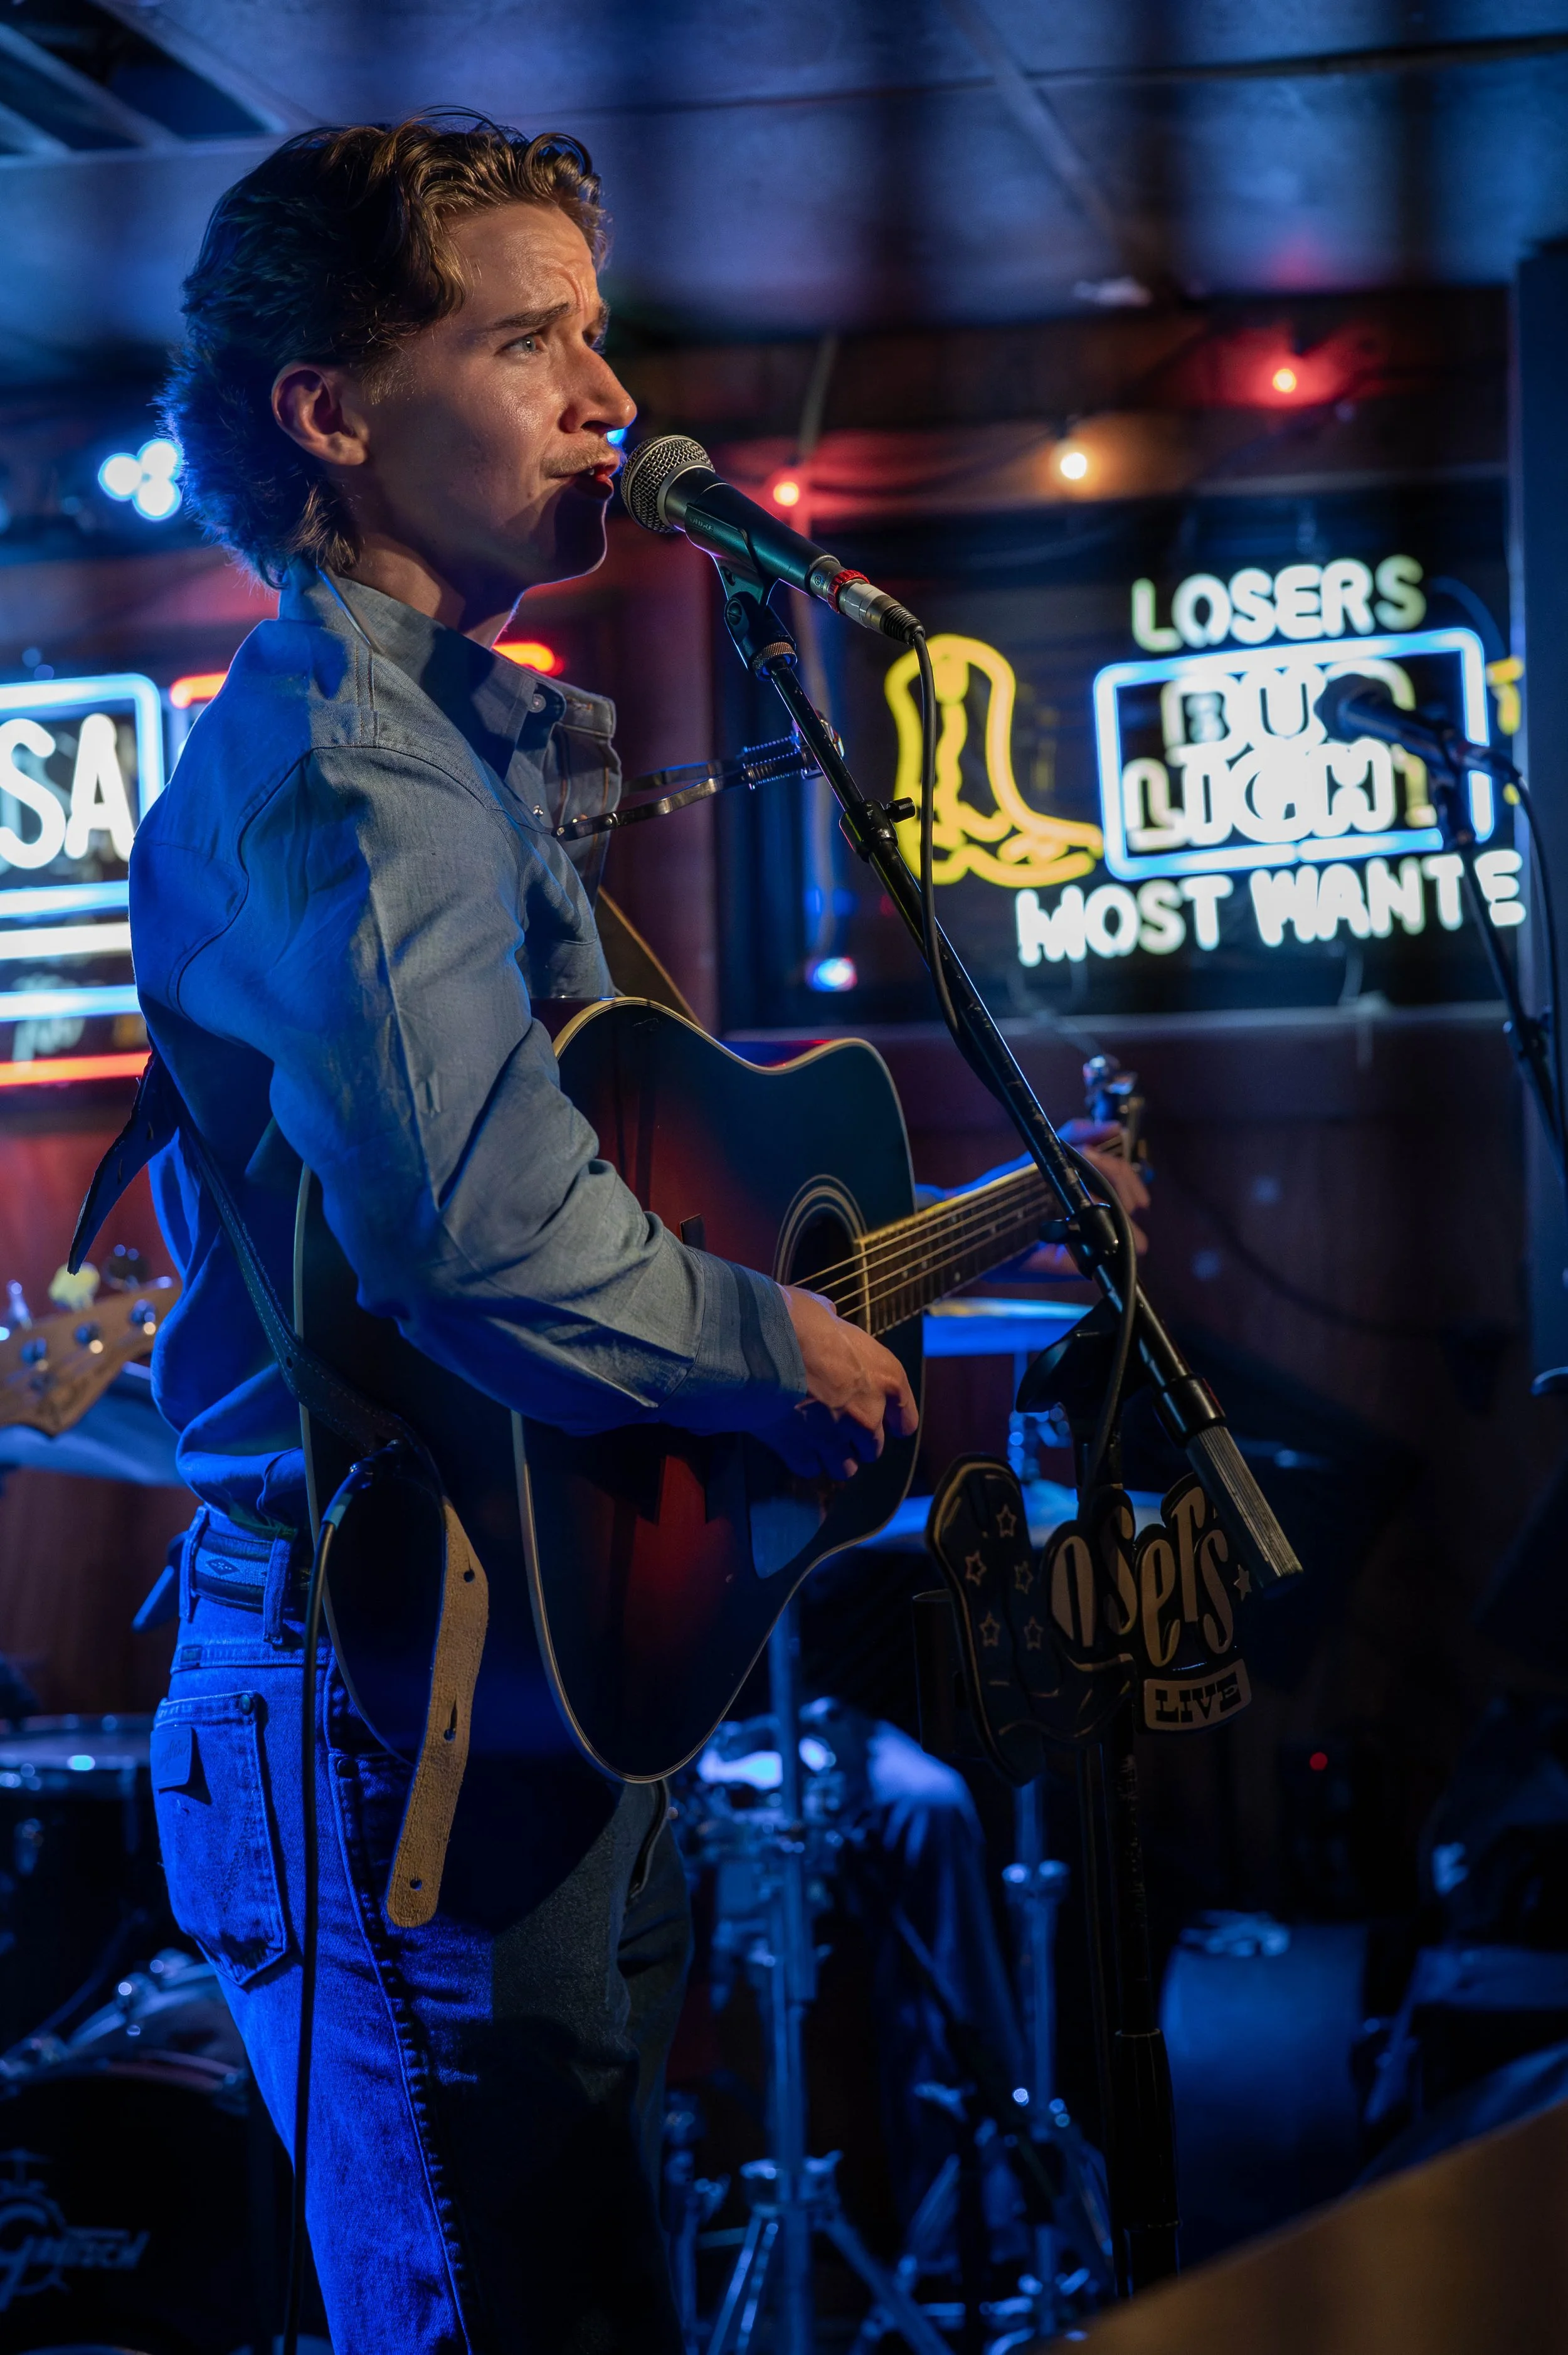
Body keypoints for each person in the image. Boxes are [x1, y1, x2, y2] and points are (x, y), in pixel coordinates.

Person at [132, 117, 1142, 2355]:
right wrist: (779, 1353)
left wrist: (896, 1266)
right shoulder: (364, 776)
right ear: (329, 415)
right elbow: (481, 1240)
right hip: (386, 1694)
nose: (612, 398)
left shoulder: (457, 752)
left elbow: (580, 1197)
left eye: (597, 334)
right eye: (528, 343)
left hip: (499, 1663)